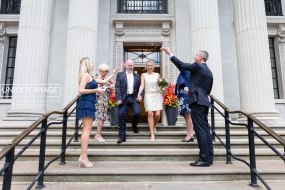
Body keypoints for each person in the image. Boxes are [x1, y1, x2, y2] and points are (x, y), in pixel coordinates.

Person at [161, 47, 214, 167]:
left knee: (200, 130)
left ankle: (204, 159)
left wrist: (170, 54)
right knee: (205, 130)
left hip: (196, 102)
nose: (194, 57)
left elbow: (182, 65)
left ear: (200, 58)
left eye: (196, 55)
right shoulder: (209, 72)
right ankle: (209, 157)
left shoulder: (198, 66)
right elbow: (208, 89)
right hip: (204, 101)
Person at [76, 57, 119, 168]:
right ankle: (83, 157)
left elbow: (104, 81)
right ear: (87, 64)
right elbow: (81, 90)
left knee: (87, 130)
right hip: (86, 103)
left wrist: (113, 73)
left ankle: (83, 157)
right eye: (92, 63)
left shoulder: (90, 76)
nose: (93, 64)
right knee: (87, 130)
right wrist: (96, 90)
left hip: (90, 103)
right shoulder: (86, 75)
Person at [115, 60, 141, 144]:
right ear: (125, 65)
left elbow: (141, 87)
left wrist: (140, 96)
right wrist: (118, 98)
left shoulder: (137, 76)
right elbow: (117, 87)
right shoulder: (120, 75)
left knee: (137, 113)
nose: (130, 67)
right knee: (122, 116)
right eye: (128, 65)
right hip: (123, 98)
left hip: (133, 98)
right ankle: (122, 137)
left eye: (131, 65)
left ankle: (134, 125)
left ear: (134, 66)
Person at [137, 60, 163, 142]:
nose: (150, 67)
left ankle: (154, 126)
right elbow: (142, 85)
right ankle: (152, 134)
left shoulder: (157, 75)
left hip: (157, 95)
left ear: (153, 66)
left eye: (151, 65)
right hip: (148, 95)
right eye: (148, 65)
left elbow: (161, 84)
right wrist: (139, 93)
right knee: (150, 113)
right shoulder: (143, 75)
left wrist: (164, 88)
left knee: (158, 114)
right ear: (146, 66)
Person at [94, 63, 115, 142]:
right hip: (100, 100)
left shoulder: (105, 77)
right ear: (100, 71)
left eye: (107, 71)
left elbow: (113, 83)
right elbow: (98, 89)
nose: (106, 73)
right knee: (101, 117)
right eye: (104, 71)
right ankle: (98, 135)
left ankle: (99, 134)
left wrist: (110, 83)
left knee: (103, 118)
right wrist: (109, 87)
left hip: (105, 100)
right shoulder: (98, 77)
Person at [176, 71, 195, 142]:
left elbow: (186, 85)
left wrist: (187, 92)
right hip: (184, 97)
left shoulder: (186, 72)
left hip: (185, 97)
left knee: (187, 115)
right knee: (187, 116)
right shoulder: (184, 73)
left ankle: (190, 135)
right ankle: (189, 134)